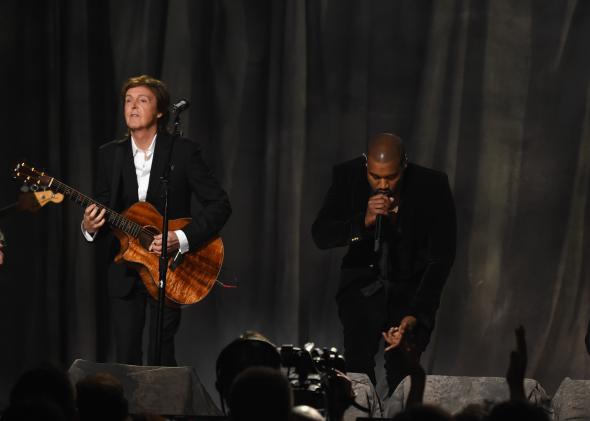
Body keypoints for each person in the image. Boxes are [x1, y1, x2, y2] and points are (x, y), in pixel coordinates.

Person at [82, 75, 231, 366]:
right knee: (125, 358)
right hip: (124, 269)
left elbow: (219, 204)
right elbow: (102, 209)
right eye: (128, 100)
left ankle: (161, 412)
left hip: (169, 267)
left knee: (161, 355)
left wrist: (182, 238)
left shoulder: (183, 152)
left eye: (142, 100)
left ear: (160, 111)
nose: (132, 106)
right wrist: (89, 227)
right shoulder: (109, 155)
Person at [312, 132, 456, 395]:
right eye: (375, 177)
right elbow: (321, 235)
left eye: (390, 177)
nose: (382, 185)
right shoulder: (348, 177)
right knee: (357, 372)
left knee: (403, 375)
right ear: (366, 165)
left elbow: (442, 257)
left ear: (404, 165)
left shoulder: (432, 185)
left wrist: (418, 312)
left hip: (410, 293)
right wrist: (362, 221)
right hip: (362, 288)